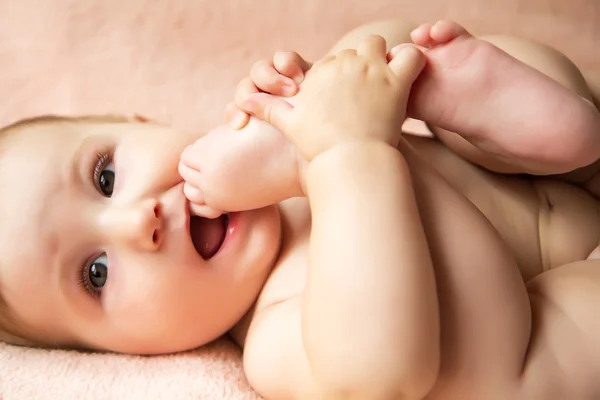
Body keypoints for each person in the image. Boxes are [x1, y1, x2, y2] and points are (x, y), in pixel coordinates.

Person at [0, 18, 598, 399]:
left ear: (142, 122)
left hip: (538, 168)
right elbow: (381, 376)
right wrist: (339, 152)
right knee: (487, 379)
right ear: (124, 354)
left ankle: (524, 117)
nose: (137, 223)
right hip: (559, 307)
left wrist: (348, 87)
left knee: (373, 44)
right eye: (95, 274)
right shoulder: (279, 338)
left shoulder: (270, 115)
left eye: (106, 175)